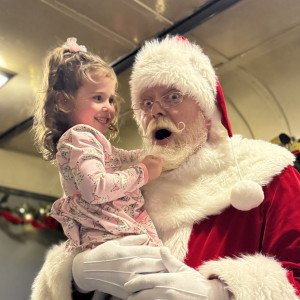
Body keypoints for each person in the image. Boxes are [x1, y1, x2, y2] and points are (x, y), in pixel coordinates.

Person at [31, 36, 300, 300]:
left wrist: (221, 294)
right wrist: (76, 278)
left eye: (172, 96)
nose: (155, 111)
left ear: (208, 113)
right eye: (146, 103)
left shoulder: (265, 173)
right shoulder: (130, 181)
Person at [33, 37, 163, 255]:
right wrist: (142, 172)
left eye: (111, 99)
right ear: (64, 102)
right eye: (98, 98)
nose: (109, 108)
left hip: (109, 242)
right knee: (175, 279)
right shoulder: (79, 137)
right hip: (110, 242)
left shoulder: (89, 141)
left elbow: (121, 157)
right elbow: (96, 189)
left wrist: (156, 153)